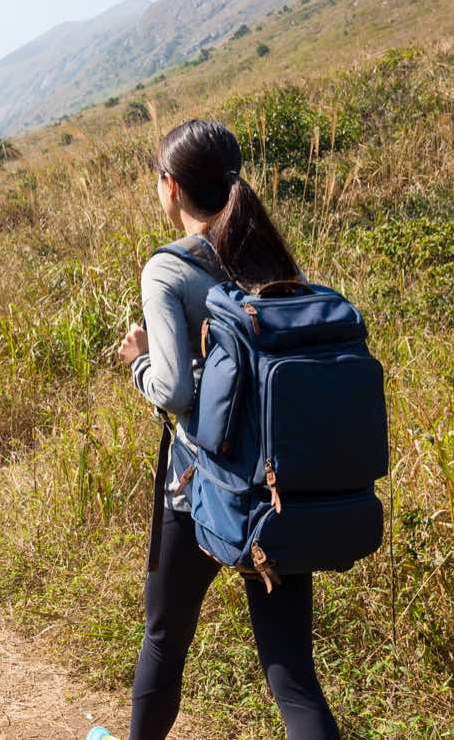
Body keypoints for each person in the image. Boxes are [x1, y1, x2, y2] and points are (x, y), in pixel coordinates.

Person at [114, 119, 340, 740]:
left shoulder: (167, 270)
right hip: (275, 490)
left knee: (164, 639)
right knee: (292, 675)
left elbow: (174, 391)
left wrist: (136, 360)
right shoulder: (265, 251)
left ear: (171, 187)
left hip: (198, 491)